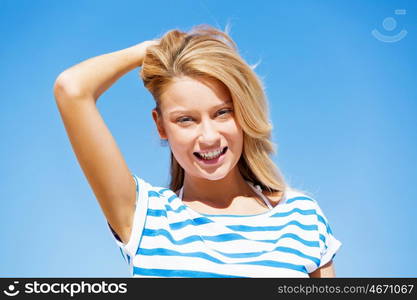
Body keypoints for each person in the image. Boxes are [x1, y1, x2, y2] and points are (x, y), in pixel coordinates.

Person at [53, 24, 341, 278]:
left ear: (244, 113)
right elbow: (72, 88)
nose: (208, 137)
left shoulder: (302, 217)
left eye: (223, 113)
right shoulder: (146, 217)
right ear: (161, 126)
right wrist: (152, 50)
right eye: (185, 119)